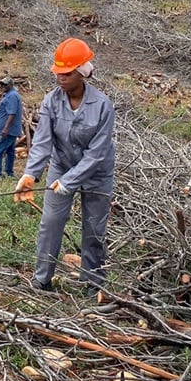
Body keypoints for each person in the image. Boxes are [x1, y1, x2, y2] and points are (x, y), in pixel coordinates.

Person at [13, 38, 115, 297]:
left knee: (94, 228)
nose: (61, 78)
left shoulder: (102, 105)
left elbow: (96, 154)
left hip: (97, 173)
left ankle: (94, 285)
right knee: (50, 222)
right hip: (61, 167)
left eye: (67, 73)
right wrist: (30, 174)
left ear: (81, 72)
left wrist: (69, 181)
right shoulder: (51, 101)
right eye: (57, 73)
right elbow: (43, 142)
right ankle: (42, 280)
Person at [0, 77, 23, 179]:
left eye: (5, 85)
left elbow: (12, 113)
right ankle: (9, 173)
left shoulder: (12, 96)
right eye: (2, 84)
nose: (3, 86)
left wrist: (6, 128)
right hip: (10, 130)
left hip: (8, 131)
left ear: (11, 85)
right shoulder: (10, 95)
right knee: (10, 151)